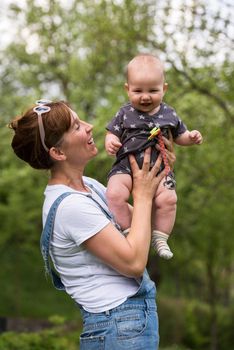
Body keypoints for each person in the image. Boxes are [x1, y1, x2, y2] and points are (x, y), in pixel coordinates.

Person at [9, 99, 175, 349]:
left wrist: (159, 176)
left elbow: (144, 226)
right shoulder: (71, 207)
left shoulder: (91, 187)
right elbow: (133, 261)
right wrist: (141, 195)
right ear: (58, 152)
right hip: (118, 326)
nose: (89, 126)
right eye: (76, 126)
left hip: (128, 323)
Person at [105, 53, 203, 260]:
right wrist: (110, 141)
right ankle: (128, 230)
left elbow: (179, 136)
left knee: (169, 199)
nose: (145, 96)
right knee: (114, 194)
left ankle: (160, 237)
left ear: (164, 89)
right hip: (125, 164)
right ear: (127, 89)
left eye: (153, 90)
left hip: (160, 167)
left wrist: (191, 137)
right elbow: (112, 131)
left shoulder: (169, 114)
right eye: (138, 90)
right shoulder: (124, 113)